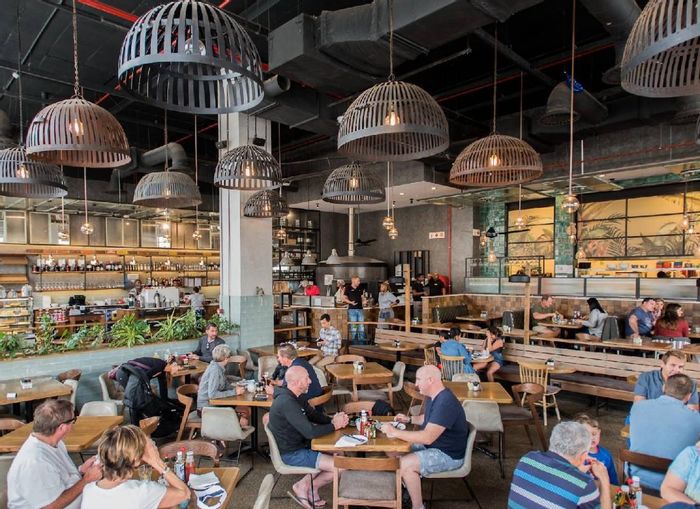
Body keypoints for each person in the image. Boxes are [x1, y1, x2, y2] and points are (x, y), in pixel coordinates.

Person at [382, 365, 468, 509]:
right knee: (391, 448)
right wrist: (409, 419)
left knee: (405, 464)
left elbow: (427, 437)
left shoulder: (445, 402)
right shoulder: (434, 396)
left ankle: (418, 506)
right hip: (434, 446)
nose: (416, 384)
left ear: (430, 380)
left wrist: (394, 432)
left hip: (448, 454)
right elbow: (428, 419)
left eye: (418, 379)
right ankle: (408, 482)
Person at [268, 366, 349, 509]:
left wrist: (333, 420)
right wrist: (335, 425)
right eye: (306, 378)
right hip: (291, 454)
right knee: (342, 466)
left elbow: (314, 416)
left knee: (340, 453)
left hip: (301, 445)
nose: (310, 381)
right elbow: (310, 432)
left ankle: (311, 489)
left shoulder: (297, 397)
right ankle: (304, 486)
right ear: (296, 382)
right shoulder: (287, 402)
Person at [7, 399, 102, 509]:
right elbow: (50, 506)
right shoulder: (35, 462)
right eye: (73, 420)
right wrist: (86, 479)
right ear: (62, 427)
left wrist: (81, 471)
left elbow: (57, 476)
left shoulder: (54, 443)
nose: (73, 424)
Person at [80, 424, 190, 509]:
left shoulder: (88, 490)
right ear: (136, 460)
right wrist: (157, 463)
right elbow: (185, 494)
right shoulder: (141, 492)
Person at [508, 421, 611, 509]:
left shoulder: (527, 459)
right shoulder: (584, 484)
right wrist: (604, 480)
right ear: (583, 455)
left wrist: (577, 471)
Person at [630, 374, 700, 490]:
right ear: (688, 396)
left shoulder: (638, 407)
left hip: (636, 476)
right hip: (675, 485)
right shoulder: (696, 418)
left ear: (663, 388)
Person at [197, 344, 250, 426]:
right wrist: (235, 392)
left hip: (215, 404)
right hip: (207, 409)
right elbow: (212, 395)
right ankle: (225, 433)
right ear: (226, 358)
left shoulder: (218, 366)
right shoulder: (215, 370)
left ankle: (229, 432)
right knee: (243, 421)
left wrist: (237, 387)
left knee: (245, 410)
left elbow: (225, 385)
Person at [113, 357, 171, 424]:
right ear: (171, 365)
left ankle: (139, 422)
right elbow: (145, 377)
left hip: (127, 372)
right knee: (134, 399)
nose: (175, 371)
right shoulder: (161, 365)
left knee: (137, 398)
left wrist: (165, 401)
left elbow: (162, 384)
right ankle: (136, 425)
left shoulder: (161, 366)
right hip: (124, 374)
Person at [634, 350, 699, 410]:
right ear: (662, 364)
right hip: (651, 416)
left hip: (676, 417)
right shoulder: (646, 378)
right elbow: (639, 406)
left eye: (680, 367)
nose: (677, 370)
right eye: (673, 365)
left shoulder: (690, 383)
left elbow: (692, 411)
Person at [573, 413, 619, 485]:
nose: (591, 438)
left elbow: (613, 480)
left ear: (599, 432)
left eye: (594, 434)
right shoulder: (575, 456)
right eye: (586, 435)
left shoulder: (606, 455)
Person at [343, 275, 366, 344]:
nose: (359, 282)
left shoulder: (360, 288)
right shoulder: (348, 288)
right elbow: (344, 298)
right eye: (358, 281)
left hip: (360, 310)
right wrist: (350, 302)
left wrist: (364, 301)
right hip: (352, 310)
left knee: (361, 326)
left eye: (359, 281)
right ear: (353, 280)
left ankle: (361, 344)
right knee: (354, 326)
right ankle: (354, 343)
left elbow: (362, 297)